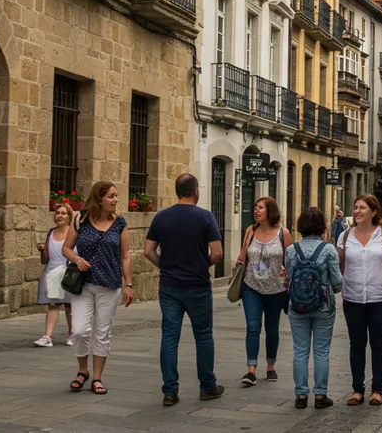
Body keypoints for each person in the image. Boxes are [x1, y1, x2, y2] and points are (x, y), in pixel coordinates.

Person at [144, 173, 225, 405]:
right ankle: (207, 386)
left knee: (169, 337)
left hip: (169, 285)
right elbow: (217, 252)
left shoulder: (161, 217)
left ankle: (170, 391)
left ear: (177, 192)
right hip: (198, 285)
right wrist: (201, 265)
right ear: (196, 191)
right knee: (203, 336)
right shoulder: (205, 217)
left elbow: (148, 250)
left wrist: (166, 266)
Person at [63, 181, 133, 396]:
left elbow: (125, 255)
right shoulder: (81, 220)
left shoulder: (120, 223)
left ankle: (97, 377)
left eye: (115, 196)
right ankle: (82, 371)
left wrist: (128, 284)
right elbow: (66, 247)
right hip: (83, 283)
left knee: (102, 333)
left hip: (109, 285)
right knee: (79, 330)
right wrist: (77, 259)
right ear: (99, 198)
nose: (115, 200)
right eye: (111, 196)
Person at [337, 195, 382, 407]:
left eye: (362, 208)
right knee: (356, 344)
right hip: (353, 297)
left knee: (378, 343)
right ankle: (357, 389)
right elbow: (340, 266)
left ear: (373, 212)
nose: (356, 211)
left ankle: (377, 390)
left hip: (381, 297)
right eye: (355, 207)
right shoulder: (345, 236)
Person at [286, 207, 342, 410]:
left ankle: (301, 394)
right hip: (323, 306)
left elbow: (290, 279)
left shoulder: (292, 250)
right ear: (322, 226)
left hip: (297, 305)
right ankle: (320, 395)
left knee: (299, 350)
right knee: (321, 351)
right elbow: (337, 283)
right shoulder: (328, 250)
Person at [235, 196, 291, 386]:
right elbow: (243, 256)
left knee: (272, 329)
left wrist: (287, 271)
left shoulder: (283, 233)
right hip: (252, 285)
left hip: (276, 288)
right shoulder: (250, 231)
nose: (256, 211)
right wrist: (240, 260)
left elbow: (291, 261)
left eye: (261, 208)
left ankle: (270, 366)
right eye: (255, 207)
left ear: (270, 211)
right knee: (253, 327)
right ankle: (251, 370)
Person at [34, 203, 74, 347]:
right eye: (57, 213)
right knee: (53, 305)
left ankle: (73, 335)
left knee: (70, 306)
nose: (60, 215)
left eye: (64, 213)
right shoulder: (51, 233)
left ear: (70, 216)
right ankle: (47, 336)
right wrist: (42, 251)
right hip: (52, 274)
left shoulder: (74, 233)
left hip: (69, 274)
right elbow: (45, 260)